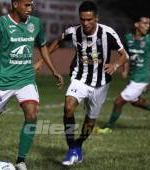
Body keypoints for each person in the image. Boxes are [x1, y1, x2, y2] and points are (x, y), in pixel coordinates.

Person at [0, 0, 64, 170]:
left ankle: (20, 161)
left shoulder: (35, 23)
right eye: (26, 5)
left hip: (26, 78)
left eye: (32, 5)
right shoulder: (0, 23)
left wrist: (53, 69)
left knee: (32, 115)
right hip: (3, 81)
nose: (30, 9)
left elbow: (43, 47)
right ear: (15, 4)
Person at [36, 1, 127, 166]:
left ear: (96, 18)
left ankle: (78, 145)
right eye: (83, 19)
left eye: (89, 20)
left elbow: (123, 54)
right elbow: (57, 42)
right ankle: (71, 148)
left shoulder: (108, 33)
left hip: (101, 83)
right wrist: (42, 61)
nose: (85, 23)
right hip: (80, 77)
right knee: (68, 106)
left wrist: (115, 65)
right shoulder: (73, 32)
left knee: (90, 120)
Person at [97, 15, 150, 134]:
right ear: (136, 25)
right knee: (134, 101)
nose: (147, 26)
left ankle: (108, 127)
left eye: (148, 24)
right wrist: (124, 68)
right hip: (133, 76)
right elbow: (125, 54)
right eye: (144, 23)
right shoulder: (128, 38)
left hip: (142, 78)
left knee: (119, 101)